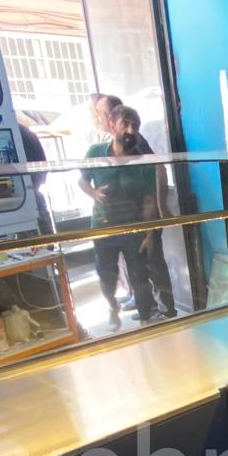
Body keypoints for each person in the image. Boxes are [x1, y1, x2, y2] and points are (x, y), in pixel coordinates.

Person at [86, 94, 176, 318]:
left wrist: (161, 207)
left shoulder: (135, 142)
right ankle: (146, 304)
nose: (98, 118)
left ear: (111, 116)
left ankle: (165, 310)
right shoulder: (100, 149)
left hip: (142, 217)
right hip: (118, 222)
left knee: (152, 262)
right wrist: (93, 192)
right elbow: (83, 178)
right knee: (134, 266)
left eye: (101, 113)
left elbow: (157, 169)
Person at [80, 105, 157, 329]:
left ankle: (145, 319)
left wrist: (149, 234)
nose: (131, 130)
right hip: (103, 226)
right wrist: (93, 193)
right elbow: (82, 180)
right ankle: (112, 308)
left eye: (135, 125)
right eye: (126, 124)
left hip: (133, 227)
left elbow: (149, 200)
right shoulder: (95, 152)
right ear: (112, 126)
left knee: (139, 274)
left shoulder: (142, 161)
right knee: (107, 275)